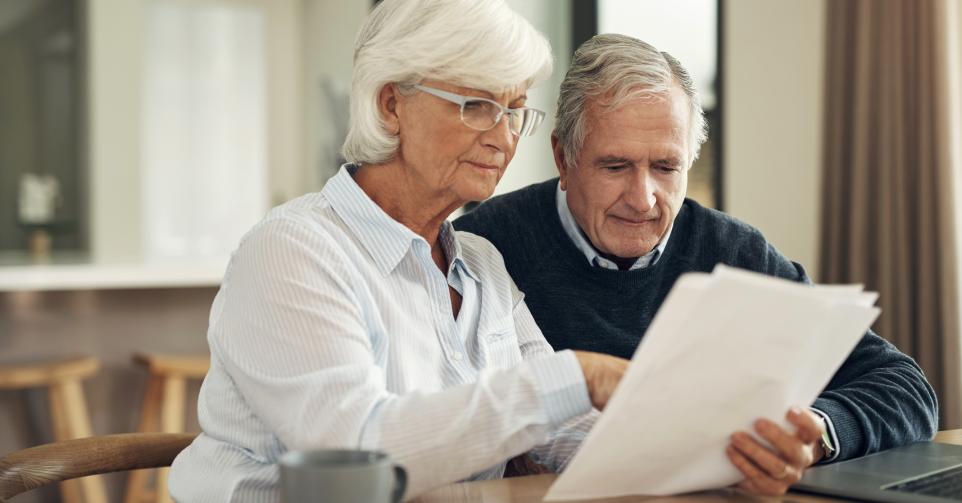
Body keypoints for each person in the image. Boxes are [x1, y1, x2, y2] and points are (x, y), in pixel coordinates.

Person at [167, 2, 631, 501]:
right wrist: (580, 375)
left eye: (515, 110)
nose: (503, 138)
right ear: (392, 105)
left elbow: (562, 428)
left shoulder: (480, 264)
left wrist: (702, 453)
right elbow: (355, 455)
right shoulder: (293, 251)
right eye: (476, 105)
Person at [455, 33, 939, 496]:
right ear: (563, 156)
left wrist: (817, 433)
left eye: (666, 168)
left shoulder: (736, 253)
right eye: (615, 166)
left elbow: (906, 389)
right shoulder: (486, 247)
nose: (643, 199)